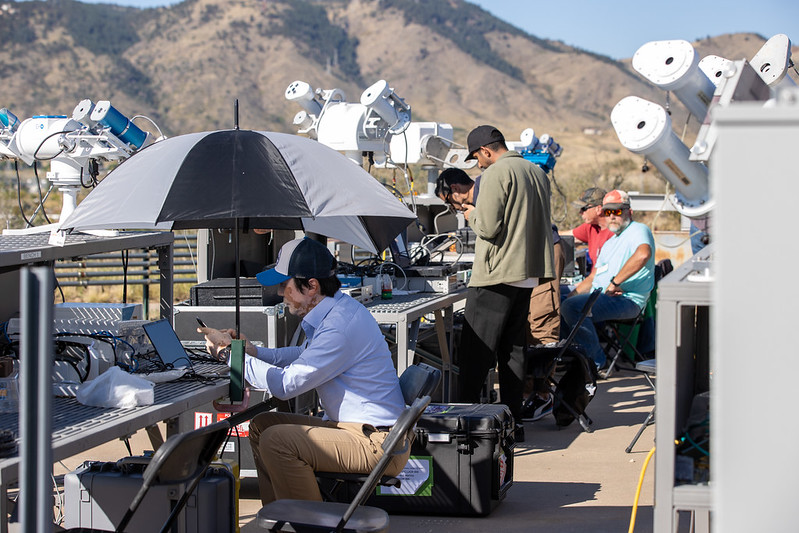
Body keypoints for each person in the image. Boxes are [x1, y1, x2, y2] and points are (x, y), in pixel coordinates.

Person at [199, 237, 407, 505]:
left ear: (312, 286)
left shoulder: (338, 328)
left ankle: (307, 521)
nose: (279, 293)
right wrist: (251, 351)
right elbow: (302, 356)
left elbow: (285, 385)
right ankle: (280, 514)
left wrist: (230, 355)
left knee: (278, 440)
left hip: (377, 444)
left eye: (286, 286)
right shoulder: (338, 311)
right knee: (263, 425)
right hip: (364, 431)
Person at [456, 125, 555, 440]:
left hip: (496, 275)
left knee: (475, 353)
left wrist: (470, 212)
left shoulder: (498, 173)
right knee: (512, 353)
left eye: (477, 159)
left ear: (486, 150)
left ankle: (466, 428)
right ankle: (513, 425)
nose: (479, 166)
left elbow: (488, 227)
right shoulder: (536, 172)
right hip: (526, 274)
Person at [560, 190, 656, 369]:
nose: (612, 216)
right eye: (607, 212)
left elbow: (643, 254)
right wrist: (570, 295)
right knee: (559, 303)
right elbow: (593, 277)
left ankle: (595, 361)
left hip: (627, 300)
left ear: (629, 212)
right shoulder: (611, 242)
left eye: (617, 211)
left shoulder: (638, 230)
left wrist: (615, 283)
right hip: (604, 296)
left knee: (572, 307)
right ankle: (571, 356)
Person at [571, 187, 614, 271]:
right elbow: (565, 236)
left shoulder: (614, 233)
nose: (580, 213)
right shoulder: (590, 227)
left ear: (599, 209)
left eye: (584, 209)